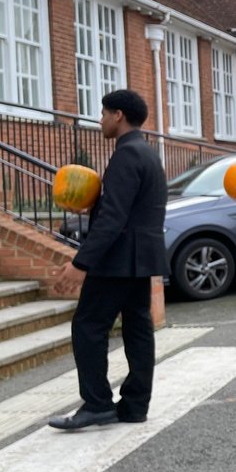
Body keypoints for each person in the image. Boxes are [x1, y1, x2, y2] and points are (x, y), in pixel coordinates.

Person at [48, 90, 168, 430]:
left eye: (103, 113)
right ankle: (134, 405)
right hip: (140, 258)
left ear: (118, 115)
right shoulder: (147, 154)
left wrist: (81, 263)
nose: (100, 120)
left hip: (117, 260)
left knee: (87, 326)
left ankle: (97, 403)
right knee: (138, 329)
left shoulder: (126, 156)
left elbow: (113, 219)